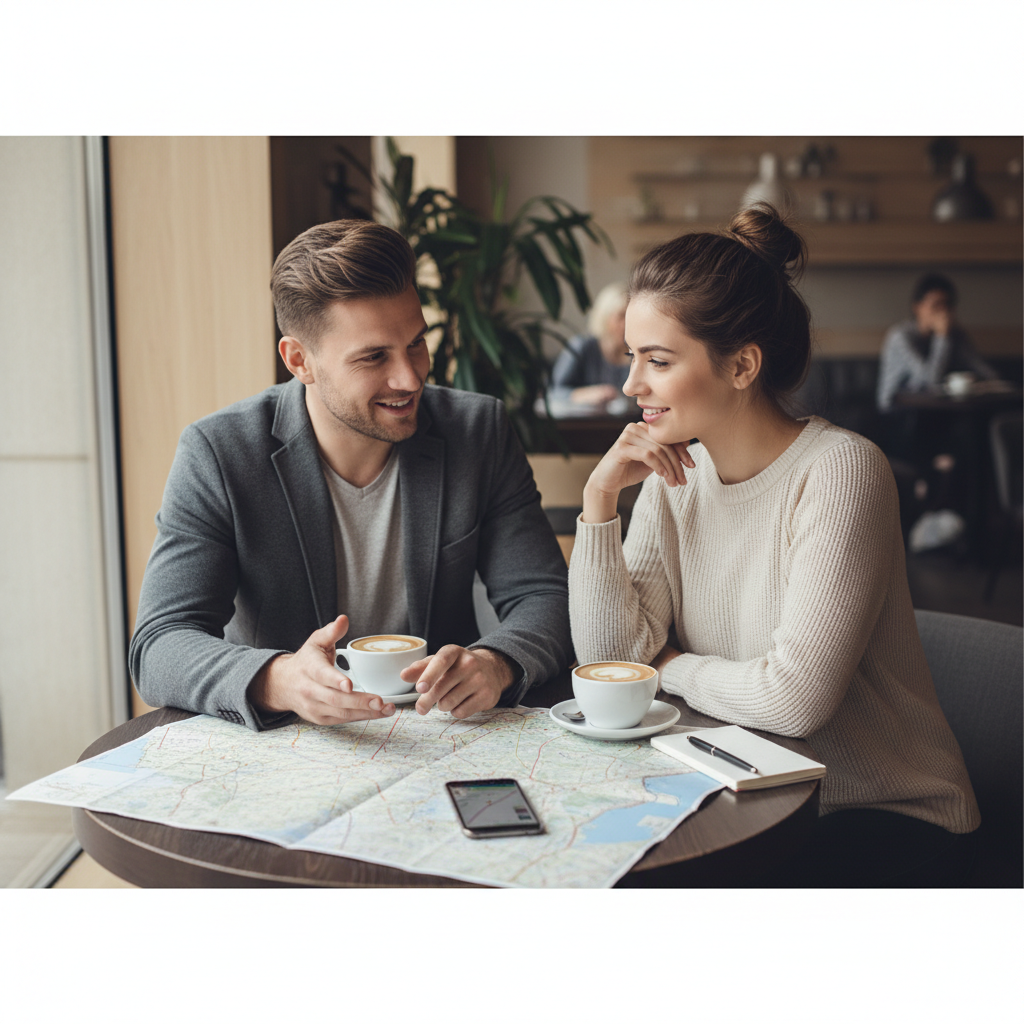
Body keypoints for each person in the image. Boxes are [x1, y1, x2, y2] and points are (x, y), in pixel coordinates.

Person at [568, 205, 981, 887]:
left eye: (658, 360)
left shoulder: (842, 471)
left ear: (742, 366)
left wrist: (665, 665)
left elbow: (794, 701)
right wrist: (599, 503)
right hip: (746, 791)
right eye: (632, 357)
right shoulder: (673, 478)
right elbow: (612, 666)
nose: (630, 385)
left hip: (884, 812)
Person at [130, 220, 572, 731]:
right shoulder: (220, 453)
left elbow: (544, 597)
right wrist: (280, 678)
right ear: (299, 360)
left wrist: (497, 661)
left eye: (415, 344)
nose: (409, 379)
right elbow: (160, 642)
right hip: (291, 742)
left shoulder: (477, 431)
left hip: (444, 734)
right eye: (373, 357)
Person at [876, 272, 997, 412]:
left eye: (947, 305)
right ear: (917, 307)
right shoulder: (901, 336)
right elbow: (931, 380)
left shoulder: (956, 334)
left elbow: (985, 371)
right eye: (936, 305)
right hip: (898, 410)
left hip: (937, 407)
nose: (942, 312)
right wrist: (942, 337)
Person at [546, 282, 632, 414]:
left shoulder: (637, 352)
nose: (627, 324)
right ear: (605, 317)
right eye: (621, 316)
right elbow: (553, 393)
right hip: (584, 426)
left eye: (630, 316)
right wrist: (585, 394)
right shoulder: (582, 347)